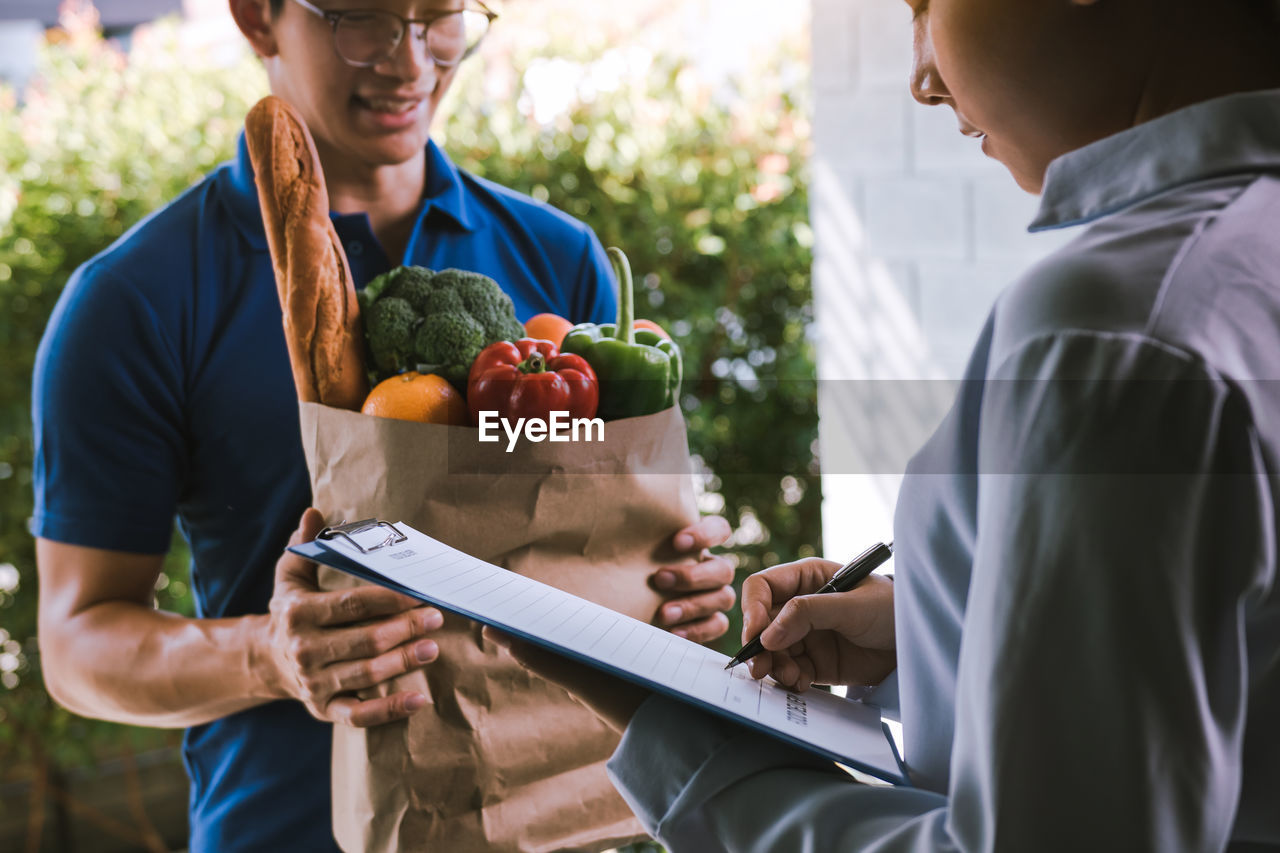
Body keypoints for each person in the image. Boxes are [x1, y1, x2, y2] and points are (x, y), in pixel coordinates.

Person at [495, 0, 1280, 849]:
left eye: (921, 4)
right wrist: (933, 632)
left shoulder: (1113, 332)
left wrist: (678, 729)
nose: (921, 79)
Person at [30, 1, 736, 850]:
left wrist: (672, 587)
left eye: (441, 17)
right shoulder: (136, 301)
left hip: (564, 824)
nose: (411, 63)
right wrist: (272, 655)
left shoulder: (559, 261)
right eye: (362, 18)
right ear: (258, 18)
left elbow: (603, 546)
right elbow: (78, 645)